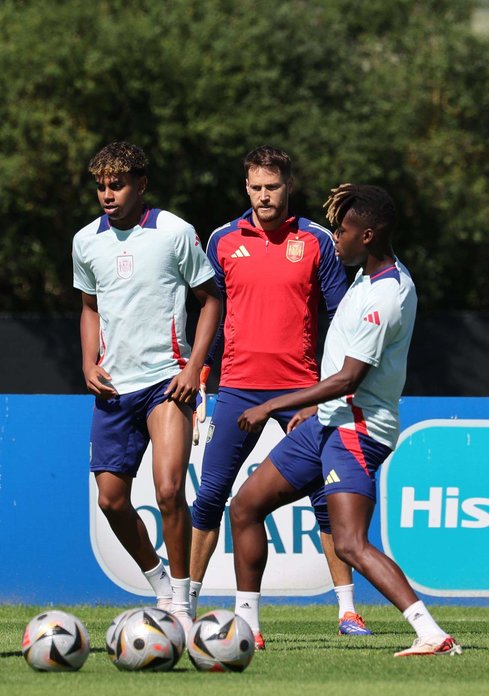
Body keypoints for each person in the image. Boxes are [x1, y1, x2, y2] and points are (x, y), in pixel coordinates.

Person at [230, 183, 462, 656]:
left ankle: (430, 633)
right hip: (328, 422)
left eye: (345, 229)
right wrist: (315, 408)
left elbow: (349, 377)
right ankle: (244, 627)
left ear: (370, 235)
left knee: (351, 544)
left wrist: (275, 404)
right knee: (245, 507)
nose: (337, 237)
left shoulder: (387, 295)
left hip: (357, 430)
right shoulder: (366, 274)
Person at [190, 145, 372, 647]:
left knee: (325, 499)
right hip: (237, 389)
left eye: (272, 187)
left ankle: (348, 611)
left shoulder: (316, 241)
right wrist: (203, 374)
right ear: (245, 187)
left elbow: (342, 318)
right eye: (255, 187)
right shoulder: (223, 241)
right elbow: (212, 314)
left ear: (288, 186)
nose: (264, 196)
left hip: (302, 393)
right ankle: (184, 608)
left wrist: (321, 392)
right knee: (209, 496)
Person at [72, 141, 222, 636]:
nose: (107, 194)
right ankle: (158, 580)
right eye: (101, 186)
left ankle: (182, 601)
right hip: (113, 390)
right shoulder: (85, 241)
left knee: (167, 490)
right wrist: (88, 361)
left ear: (142, 185)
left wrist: (194, 369)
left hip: (166, 383)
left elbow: (211, 300)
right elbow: (90, 307)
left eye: (117, 185)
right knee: (111, 501)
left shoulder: (175, 232)